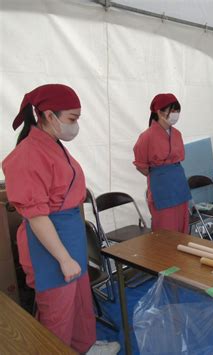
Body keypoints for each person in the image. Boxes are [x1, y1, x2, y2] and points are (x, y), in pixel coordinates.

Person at [2, 84, 120, 354]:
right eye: (72, 119)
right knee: (58, 313)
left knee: (79, 301)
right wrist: (63, 258)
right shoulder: (27, 155)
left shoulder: (53, 145)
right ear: (48, 115)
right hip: (49, 246)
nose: (76, 126)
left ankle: (84, 346)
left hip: (70, 234)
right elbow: (37, 216)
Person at [133, 93, 191, 233]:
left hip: (179, 184)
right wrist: (158, 174)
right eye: (172, 110)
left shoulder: (177, 134)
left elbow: (181, 156)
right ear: (159, 112)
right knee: (165, 228)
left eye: (177, 111)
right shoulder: (146, 137)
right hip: (161, 186)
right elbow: (141, 165)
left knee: (182, 224)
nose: (175, 114)